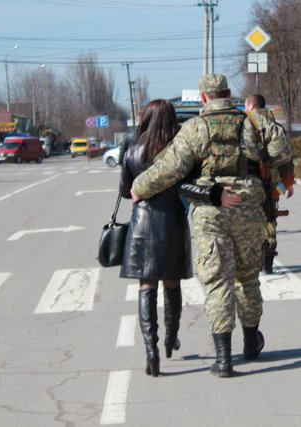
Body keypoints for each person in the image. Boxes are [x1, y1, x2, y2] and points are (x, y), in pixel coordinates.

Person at [131, 74, 293, 378]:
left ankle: (223, 359)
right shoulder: (253, 122)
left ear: (204, 98)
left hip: (211, 210)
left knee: (217, 281)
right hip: (249, 208)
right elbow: (283, 152)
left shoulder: (195, 128)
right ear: (229, 94)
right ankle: (250, 341)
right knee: (247, 279)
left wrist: (139, 186)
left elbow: (170, 168)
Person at [119, 99, 193, 377]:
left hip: (141, 225)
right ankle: (171, 338)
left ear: (146, 119)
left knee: (146, 285)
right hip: (173, 222)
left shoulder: (133, 149)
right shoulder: (179, 149)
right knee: (172, 284)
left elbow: (126, 191)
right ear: (172, 119)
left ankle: (151, 351)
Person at [244, 94, 295, 274]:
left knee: (248, 223)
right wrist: (286, 185)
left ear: (250, 106)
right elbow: (288, 160)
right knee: (270, 220)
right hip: (273, 186)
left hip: (248, 185)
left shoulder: (244, 124)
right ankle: (268, 263)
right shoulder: (277, 127)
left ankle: (252, 261)